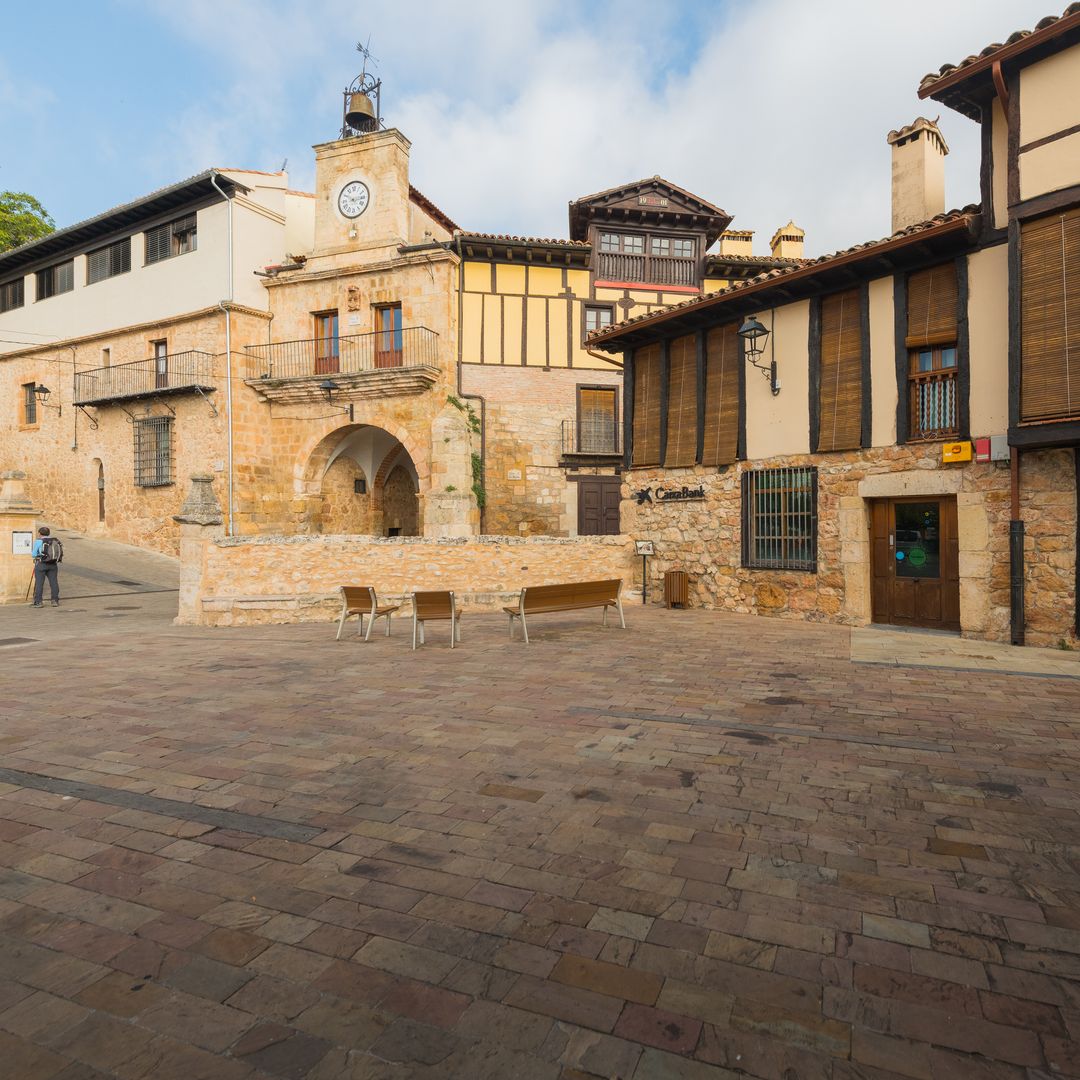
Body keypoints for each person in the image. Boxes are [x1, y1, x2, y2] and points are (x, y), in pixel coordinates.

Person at [31, 526, 62, 608]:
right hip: (53, 564)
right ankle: (55, 601)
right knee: (54, 582)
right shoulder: (55, 540)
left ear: (40, 533)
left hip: (41, 564)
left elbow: (33, 554)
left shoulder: (39, 541)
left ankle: (38, 602)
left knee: (39, 583)